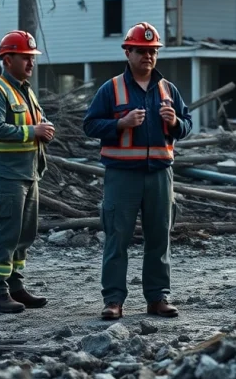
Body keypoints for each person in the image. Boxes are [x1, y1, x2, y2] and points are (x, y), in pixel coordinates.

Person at [83, 22, 193, 320]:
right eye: (142, 51)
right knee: (117, 237)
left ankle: (157, 298)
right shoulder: (112, 89)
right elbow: (90, 125)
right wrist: (121, 123)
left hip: (160, 174)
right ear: (128, 52)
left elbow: (187, 125)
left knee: (160, 237)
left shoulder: (168, 89)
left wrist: (175, 123)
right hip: (122, 176)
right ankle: (114, 300)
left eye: (152, 51)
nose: (148, 56)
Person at [0, 30, 55, 314]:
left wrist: (43, 128)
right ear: (7, 59)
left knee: (24, 233)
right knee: (6, 232)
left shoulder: (25, 90)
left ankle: (15, 286)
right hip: (7, 175)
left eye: (32, 58)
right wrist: (33, 131)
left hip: (29, 173)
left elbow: (38, 119)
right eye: (26, 58)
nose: (31, 63)